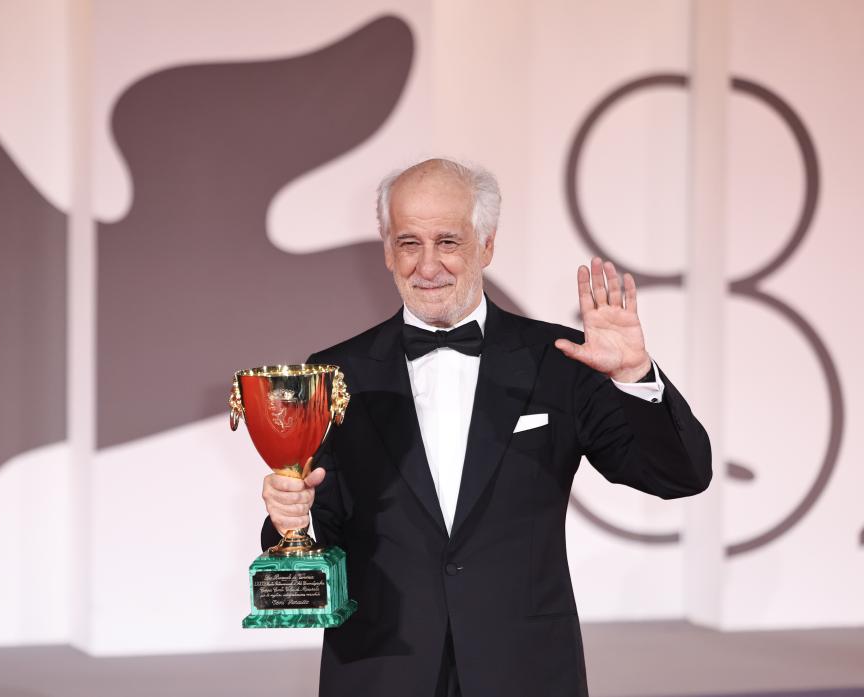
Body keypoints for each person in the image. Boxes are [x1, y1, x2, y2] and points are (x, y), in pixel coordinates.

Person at [260, 158, 711, 696]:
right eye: (409, 243)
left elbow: (679, 475)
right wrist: (291, 521)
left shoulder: (560, 360)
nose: (427, 265)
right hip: (382, 670)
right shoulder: (334, 373)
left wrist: (635, 376)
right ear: (387, 251)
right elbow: (319, 529)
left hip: (525, 671)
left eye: (448, 241)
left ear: (487, 245)